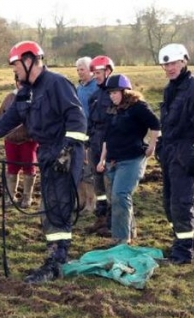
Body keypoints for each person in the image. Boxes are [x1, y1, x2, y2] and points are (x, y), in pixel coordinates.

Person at [0, 41, 88, 283]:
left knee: (57, 207)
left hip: (65, 154)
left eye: (15, 65)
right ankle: (56, 257)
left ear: (29, 60)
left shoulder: (57, 84)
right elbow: (3, 124)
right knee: (50, 206)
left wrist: (66, 150)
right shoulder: (26, 93)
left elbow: (77, 119)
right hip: (47, 153)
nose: (14, 71)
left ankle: (57, 262)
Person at [156, 43, 194, 264]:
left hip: (185, 154)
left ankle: (183, 253)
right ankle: (183, 241)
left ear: (184, 61)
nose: (169, 68)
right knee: (169, 203)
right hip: (170, 154)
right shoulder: (171, 88)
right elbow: (168, 123)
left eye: (173, 63)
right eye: (166, 64)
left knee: (181, 203)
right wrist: (161, 146)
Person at [96, 74, 160, 245]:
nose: (112, 96)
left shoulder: (138, 107)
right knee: (116, 198)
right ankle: (130, 232)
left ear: (125, 91)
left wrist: (152, 146)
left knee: (120, 195)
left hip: (132, 159)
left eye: (115, 92)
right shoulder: (111, 110)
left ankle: (121, 239)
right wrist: (102, 160)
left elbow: (155, 124)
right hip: (112, 160)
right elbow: (106, 138)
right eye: (110, 93)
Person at [85, 55, 115, 235]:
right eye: (94, 73)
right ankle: (101, 217)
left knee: (111, 182)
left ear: (108, 71)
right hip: (95, 142)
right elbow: (90, 120)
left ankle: (113, 222)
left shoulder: (117, 93)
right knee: (98, 183)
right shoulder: (95, 96)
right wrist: (88, 141)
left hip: (110, 143)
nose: (95, 76)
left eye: (98, 72)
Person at [0, 76, 38, 208]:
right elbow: (1, 116)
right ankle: (11, 196)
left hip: (28, 139)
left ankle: (27, 197)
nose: (20, 85)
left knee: (29, 166)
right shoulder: (9, 98)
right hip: (11, 139)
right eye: (19, 82)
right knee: (11, 168)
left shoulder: (35, 97)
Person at [75, 57, 98, 213]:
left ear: (90, 70)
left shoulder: (96, 87)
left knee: (89, 170)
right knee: (80, 168)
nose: (79, 72)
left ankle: (92, 203)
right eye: (77, 70)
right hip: (79, 132)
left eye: (82, 69)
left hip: (92, 133)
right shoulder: (79, 88)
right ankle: (81, 200)